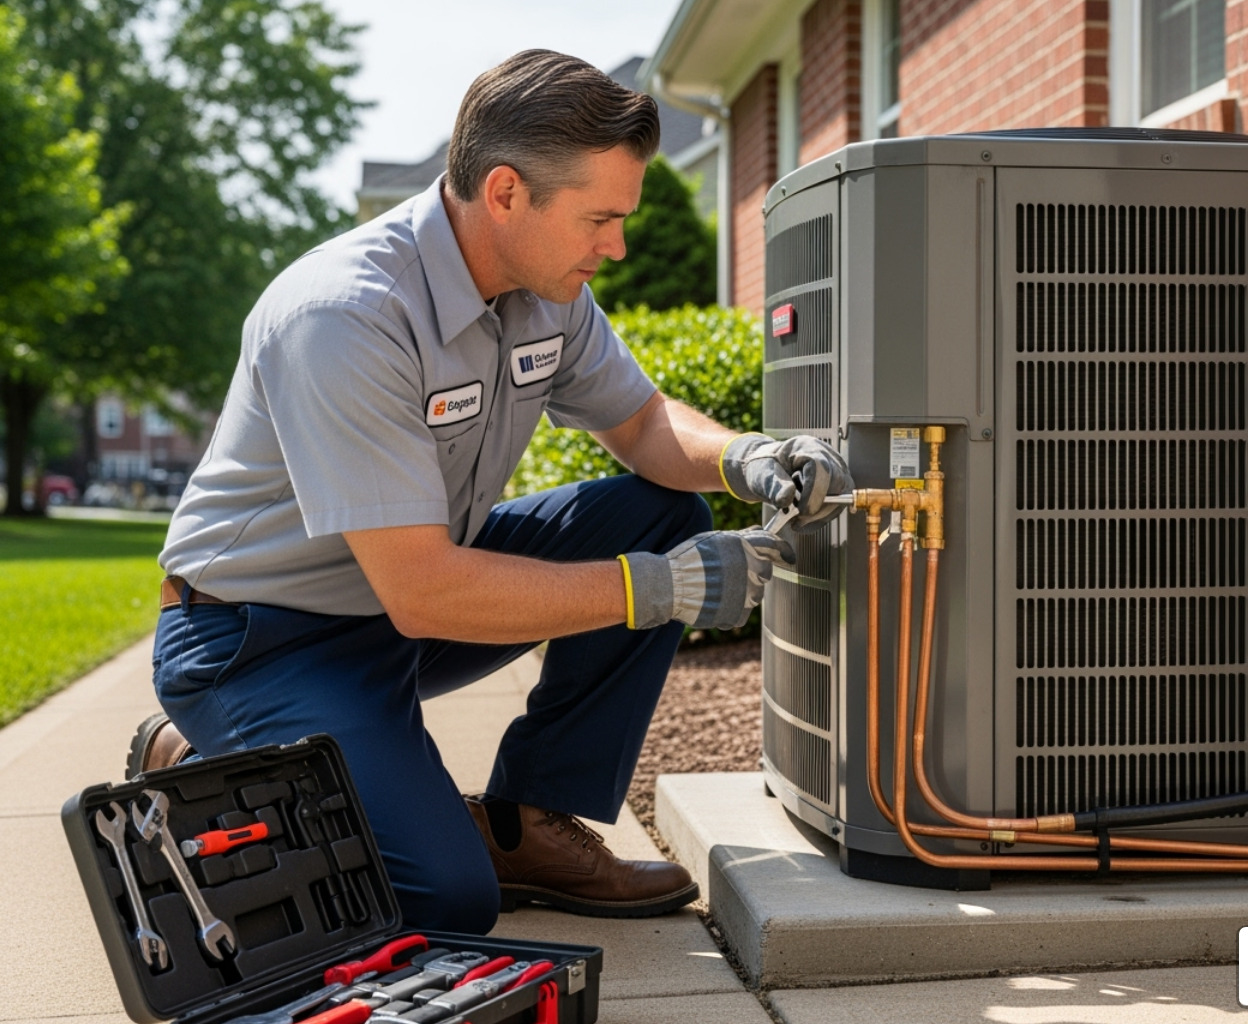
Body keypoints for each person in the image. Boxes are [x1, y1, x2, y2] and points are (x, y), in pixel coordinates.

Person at [132, 49, 852, 933]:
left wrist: (748, 456)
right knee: (444, 898)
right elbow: (424, 590)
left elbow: (641, 424)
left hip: (404, 609)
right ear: (506, 192)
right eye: (600, 219)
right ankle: (200, 754)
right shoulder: (346, 316)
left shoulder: (546, 290)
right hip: (262, 641)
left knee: (661, 515)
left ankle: (526, 825)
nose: (617, 247)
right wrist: (659, 589)